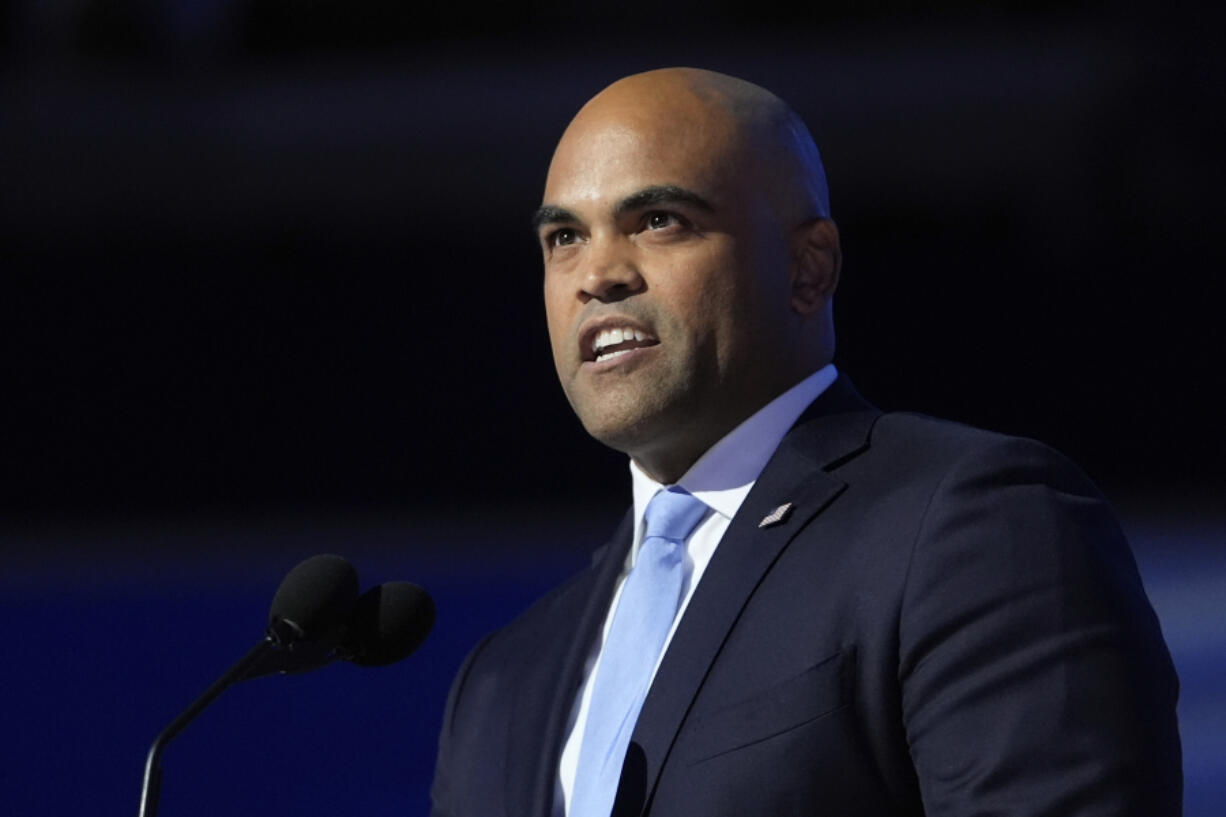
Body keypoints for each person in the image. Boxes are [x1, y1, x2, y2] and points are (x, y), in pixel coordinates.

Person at [429, 67, 1182, 817]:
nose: (597, 274)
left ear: (807, 267)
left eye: (658, 220)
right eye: (564, 237)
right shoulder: (506, 679)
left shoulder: (974, 529)